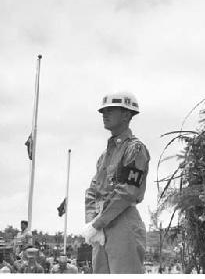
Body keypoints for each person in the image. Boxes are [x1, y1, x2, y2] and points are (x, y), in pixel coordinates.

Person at [84, 91, 150, 273]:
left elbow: (128, 192)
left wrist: (97, 223)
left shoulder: (135, 149)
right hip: (101, 225)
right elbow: (92, 191)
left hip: (123, 222)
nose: (105, 114)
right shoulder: (104, 156)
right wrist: (92, 222)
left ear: (127, 115)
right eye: (103, 111)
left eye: (111, 110)